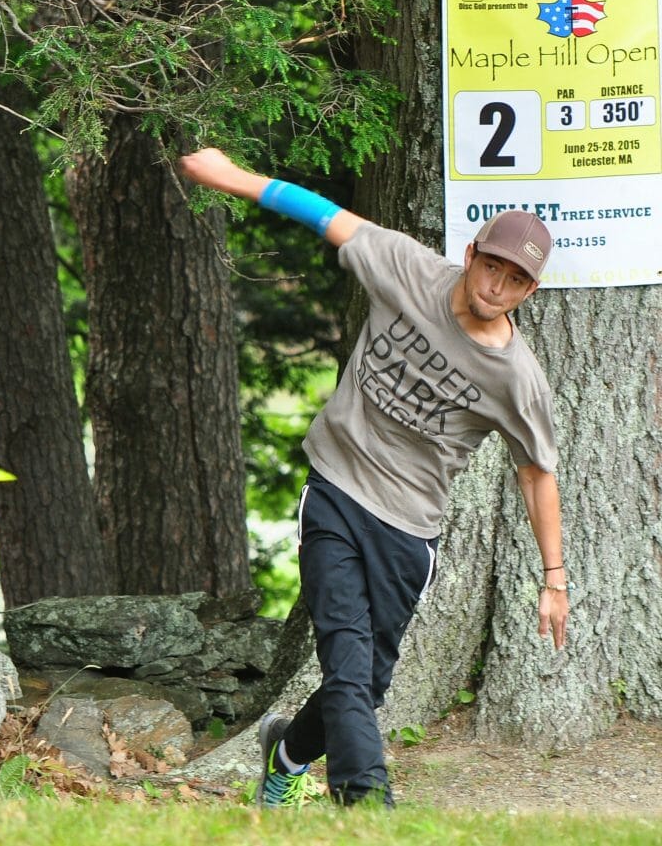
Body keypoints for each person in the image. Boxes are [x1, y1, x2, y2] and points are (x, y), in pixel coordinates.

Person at [179, 148, 568, 809]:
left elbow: (537, 473)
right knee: (348, 667)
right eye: (493, 265)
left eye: (515, 281)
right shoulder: (406, 268)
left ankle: (288, 752)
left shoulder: (516, 376)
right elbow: (325, 214)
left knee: (363, 685)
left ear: (529, 292)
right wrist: (233, 177)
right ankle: (367, 805)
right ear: (472, 252)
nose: (497, 286)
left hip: (409, 531)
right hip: (335, 489)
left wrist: (553, 577)